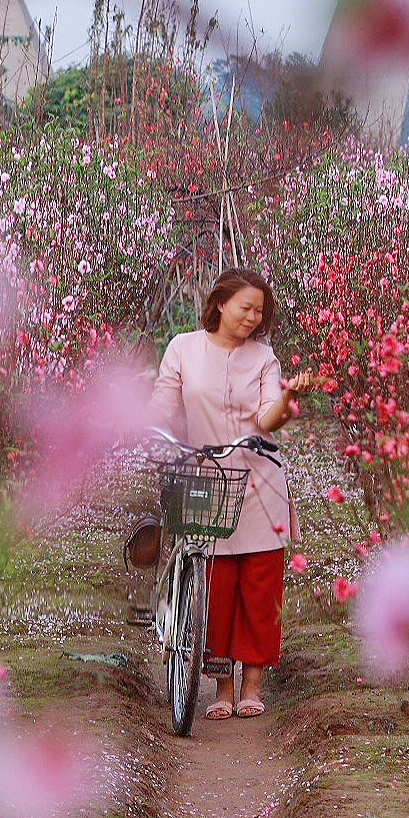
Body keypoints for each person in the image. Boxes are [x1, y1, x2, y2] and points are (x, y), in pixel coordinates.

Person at [148, 267, 312, 720]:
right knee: (216, 584)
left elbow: (266, 420)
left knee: (259, 584)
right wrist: (145, 425)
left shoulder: (263, 357)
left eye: (260, 311)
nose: (253, 318)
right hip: (204, 478)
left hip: (257, 480)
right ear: (220, 303)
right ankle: (221, 687)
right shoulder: (183, 348)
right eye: (245, 308)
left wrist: (288, 399)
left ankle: (252, 685)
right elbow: (165, 399)